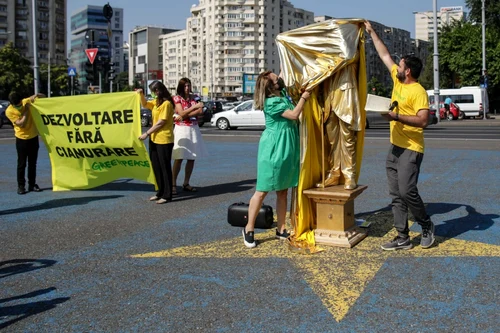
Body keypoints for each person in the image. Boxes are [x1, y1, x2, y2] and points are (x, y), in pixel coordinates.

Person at [365, 20, 435, 250]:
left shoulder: (418, 91)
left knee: (407, 191)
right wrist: (372, 32)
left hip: (411, 148)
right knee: (396, 194)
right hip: (395, 147)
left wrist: (396, 117)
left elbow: (424, 121)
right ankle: (402, 236)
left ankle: (426, 225)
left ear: (408, 71)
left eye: (401, 64)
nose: (396, 66)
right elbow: (384, 54)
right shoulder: (398, 78)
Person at [242, 70, 310, 248]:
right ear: (271, 86)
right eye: (275, 78)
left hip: (287, 146)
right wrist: (304, 97)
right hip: (273, 148)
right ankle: (248, 228)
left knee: (282, 190)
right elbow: (294, 115)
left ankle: (281, 228)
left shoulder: (283, 95)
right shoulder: (271, 102)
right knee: (262, 189)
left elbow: (284, 69)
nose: (279, 78)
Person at [138, 81, 177, 204]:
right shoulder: (156, 103)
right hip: (154, 139)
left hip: (164, 140)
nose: (153, 95)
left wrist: (147, 133)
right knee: (156, 166)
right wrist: (141, 94)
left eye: (153, 91)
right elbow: (144, 104)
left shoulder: (166, 104)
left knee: (164, 167)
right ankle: (160, 191)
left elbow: (161, 122)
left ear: (158, 91)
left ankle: (167, 194)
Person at [172, 77, 207, 194]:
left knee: (192, 157)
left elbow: (201, 110)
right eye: (185, 86)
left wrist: (187, 113)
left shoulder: (195, 96)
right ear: (181, 87)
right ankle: (173, 183)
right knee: (179, 157)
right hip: (181, 128)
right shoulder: (176, 98)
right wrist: (193, 108)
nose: (187, 88)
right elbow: (180, 113)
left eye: (189, 85)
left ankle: (186, 182)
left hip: (193, 128)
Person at [5, 91, 46, 194]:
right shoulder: (9, 111)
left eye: (20, 104)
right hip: (21, 139)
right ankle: (21, 186)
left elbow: (43, 98)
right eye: (17, 106)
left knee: (33, 163)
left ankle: (32, 184)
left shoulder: (25, 101)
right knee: (21, 164)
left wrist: (38, 95)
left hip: (33, 137)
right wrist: (27, 110)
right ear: (12, 104)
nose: (19, 106)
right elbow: (21, 124)